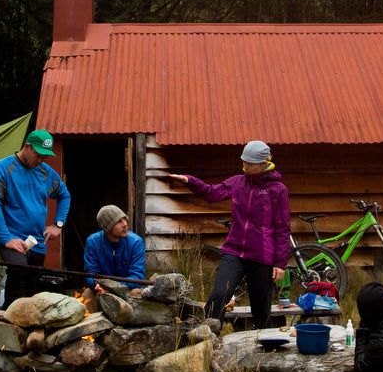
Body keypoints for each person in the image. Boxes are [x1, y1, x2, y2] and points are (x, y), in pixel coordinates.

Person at [173, 139, 290, 329]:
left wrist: (280, 262)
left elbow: (283, 227)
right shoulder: (237, 183)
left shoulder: (277, 190)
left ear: (263, 163)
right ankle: (207, 337)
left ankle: (264, 348)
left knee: (261, 309)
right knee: (219, 294)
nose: (244, 165)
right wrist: (190, 181)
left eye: (249, 163)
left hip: (261, 255)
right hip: (234, 250)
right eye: (243, 160)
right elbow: (212, 193)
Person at [0, 129, 71, 307]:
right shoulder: (2, 168)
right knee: (18, 271)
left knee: (33, 287)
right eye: (38, 155)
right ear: (27, 147)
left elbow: (64, 195)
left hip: (37, 240)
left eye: (44, 157)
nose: (40, 161)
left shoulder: (46, 173)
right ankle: (9, 320)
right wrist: (6, 238)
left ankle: (28, 328)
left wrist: (58, 224)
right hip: (11, 235)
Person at [82, 205, 146, 284]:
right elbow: (91, 273)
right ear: (108, 227)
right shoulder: (93, 242)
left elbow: (138, 276)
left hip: (128, 290)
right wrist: (96, 284)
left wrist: (113, 287)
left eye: (124, 219)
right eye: (119, 222)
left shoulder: (136, 242)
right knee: (87, 293)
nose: (125, 224)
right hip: (101, 290)